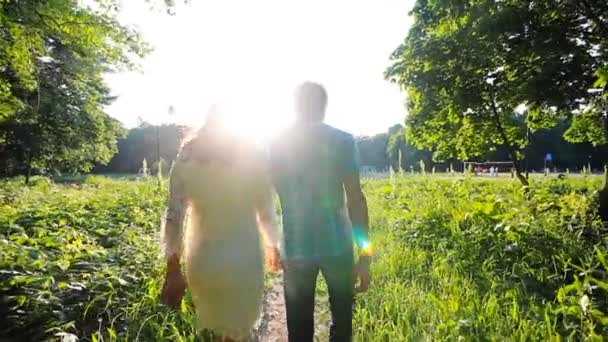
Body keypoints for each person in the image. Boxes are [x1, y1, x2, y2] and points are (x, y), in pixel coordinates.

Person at [159, 106, 281, 342]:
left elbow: (174, 215)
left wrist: (173, 267)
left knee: (217, 333)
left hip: (204, 260)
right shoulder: (253, 156)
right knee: (240, 332)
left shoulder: (186, 157)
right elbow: (265, 210)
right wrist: (272, 245)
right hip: (243, 261)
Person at [269, 82, 372, 342]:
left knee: (299, 331)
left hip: (295, 246)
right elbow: (356, 200)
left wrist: (273, 244)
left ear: (295, 106)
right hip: (337, 245)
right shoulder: (342, 141)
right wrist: (365, 255)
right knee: (342, 325)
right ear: (324, 107)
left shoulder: (278, 144)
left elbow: (268, 196)